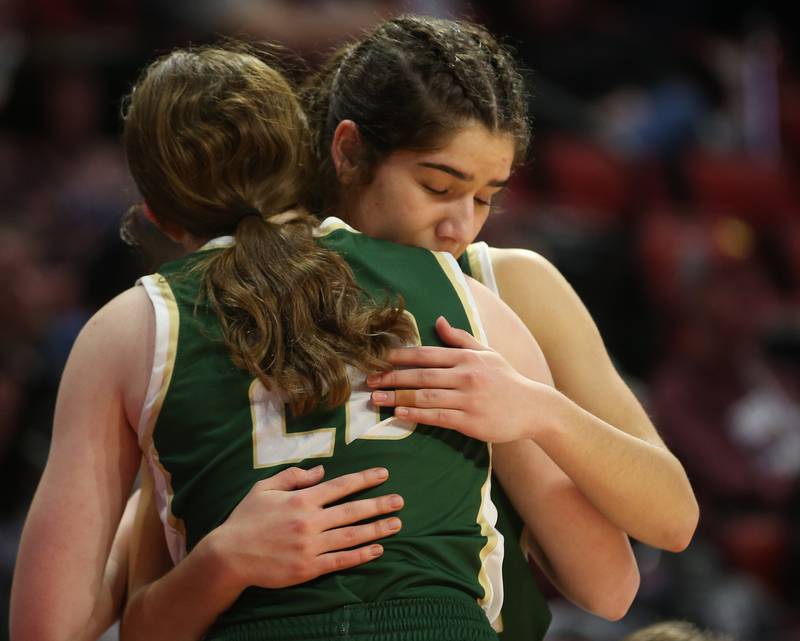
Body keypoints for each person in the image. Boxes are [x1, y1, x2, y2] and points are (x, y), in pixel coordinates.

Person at [116, 15, 695, 641]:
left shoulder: (509, 284)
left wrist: (537, 410)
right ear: (346, 151)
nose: (462, 226)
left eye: (485, 197)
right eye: (438, 186)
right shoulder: (232, 297)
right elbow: (141, 570)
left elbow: (670, 520)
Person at [10, 42, 584, 641]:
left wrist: (215, 559)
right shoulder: (457, 287)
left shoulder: (126, 328)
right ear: (307, 161)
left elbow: (45, 629)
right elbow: (612, 578)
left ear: (153, 212)